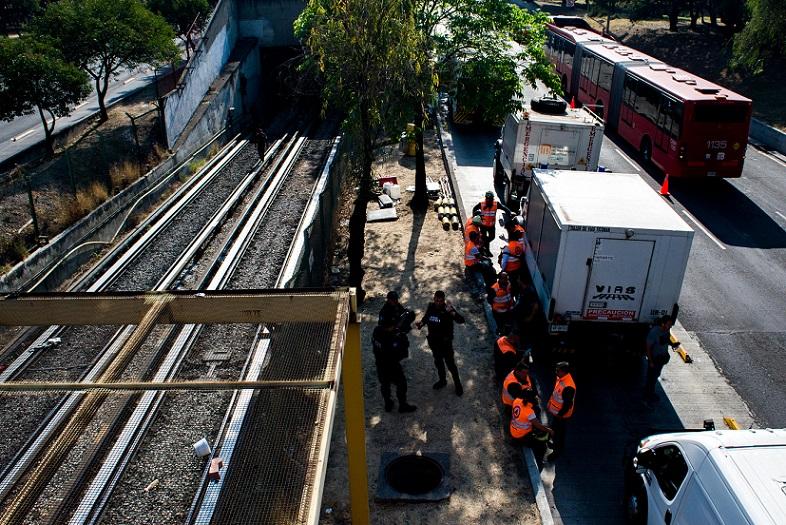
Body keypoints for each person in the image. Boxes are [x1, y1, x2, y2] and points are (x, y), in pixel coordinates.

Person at [416, 291, 465, 396]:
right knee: (439, 363)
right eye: (436, 300)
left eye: (440, 300)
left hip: (445, 344)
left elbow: (461, 320)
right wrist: (421, 323)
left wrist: (452, 312)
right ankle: (442, 381)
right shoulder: (431, 307)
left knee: (451, 365)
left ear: (443, 300)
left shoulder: (447, 309)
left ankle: (457, 384)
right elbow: (426, 317)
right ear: (434, 299)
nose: (438, 302)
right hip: (434, 343)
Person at [372, 319, 417, 413]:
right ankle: (402, 405)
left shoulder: (376, 331)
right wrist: (402, 337)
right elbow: (401, 352)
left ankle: (388, 404)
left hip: (380, 364)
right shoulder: (391, 339)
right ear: (389, 327)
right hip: (391, 365)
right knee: (401, 384)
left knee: (385, 385)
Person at [508, 383, 553, 464]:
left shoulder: (517, 401)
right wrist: (549, 430)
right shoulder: (529, 412)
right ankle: (542, 457)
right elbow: (539, 426)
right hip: (522, 435)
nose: (537, 398)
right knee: (543, 435)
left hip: (513, 430)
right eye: (535, 397)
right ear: (531, 399)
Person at [645, 315, 679, 403]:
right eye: (669, 325)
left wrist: (673, 344)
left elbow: (667, 340)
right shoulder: (654, 332)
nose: (670, 327)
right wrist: (651, 362)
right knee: (651, 378)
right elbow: (648, 348)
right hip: (654, 359)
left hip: (661, 359)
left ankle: (649, 393)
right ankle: (648, 396)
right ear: (663, 324)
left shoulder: (666, 331)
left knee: (655, 376)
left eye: (671, 325)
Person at [547, 361, 576, 461]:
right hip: (557, 414)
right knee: (558, 432)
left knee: (558, 434)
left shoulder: (568, 387)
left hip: (561, 416)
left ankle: (556, 452)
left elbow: (568, 404)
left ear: (563, 372)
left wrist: (559, 415)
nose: (556, 372)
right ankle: (558, 446)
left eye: (558, 370)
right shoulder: (561, 379)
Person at [472, 191, 512, 256]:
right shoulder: (481, 204)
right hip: (483, 226)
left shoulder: (496, 204)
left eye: (490, 199)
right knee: (484, 238)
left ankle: (483, 246)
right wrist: (474, 217)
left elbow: (504, 208)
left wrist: (510, 213)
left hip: (491, 226)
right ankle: (487, 251)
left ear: (492, 199)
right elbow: (474, 208)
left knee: (492, 237)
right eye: (487, 199)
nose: (488, 201)